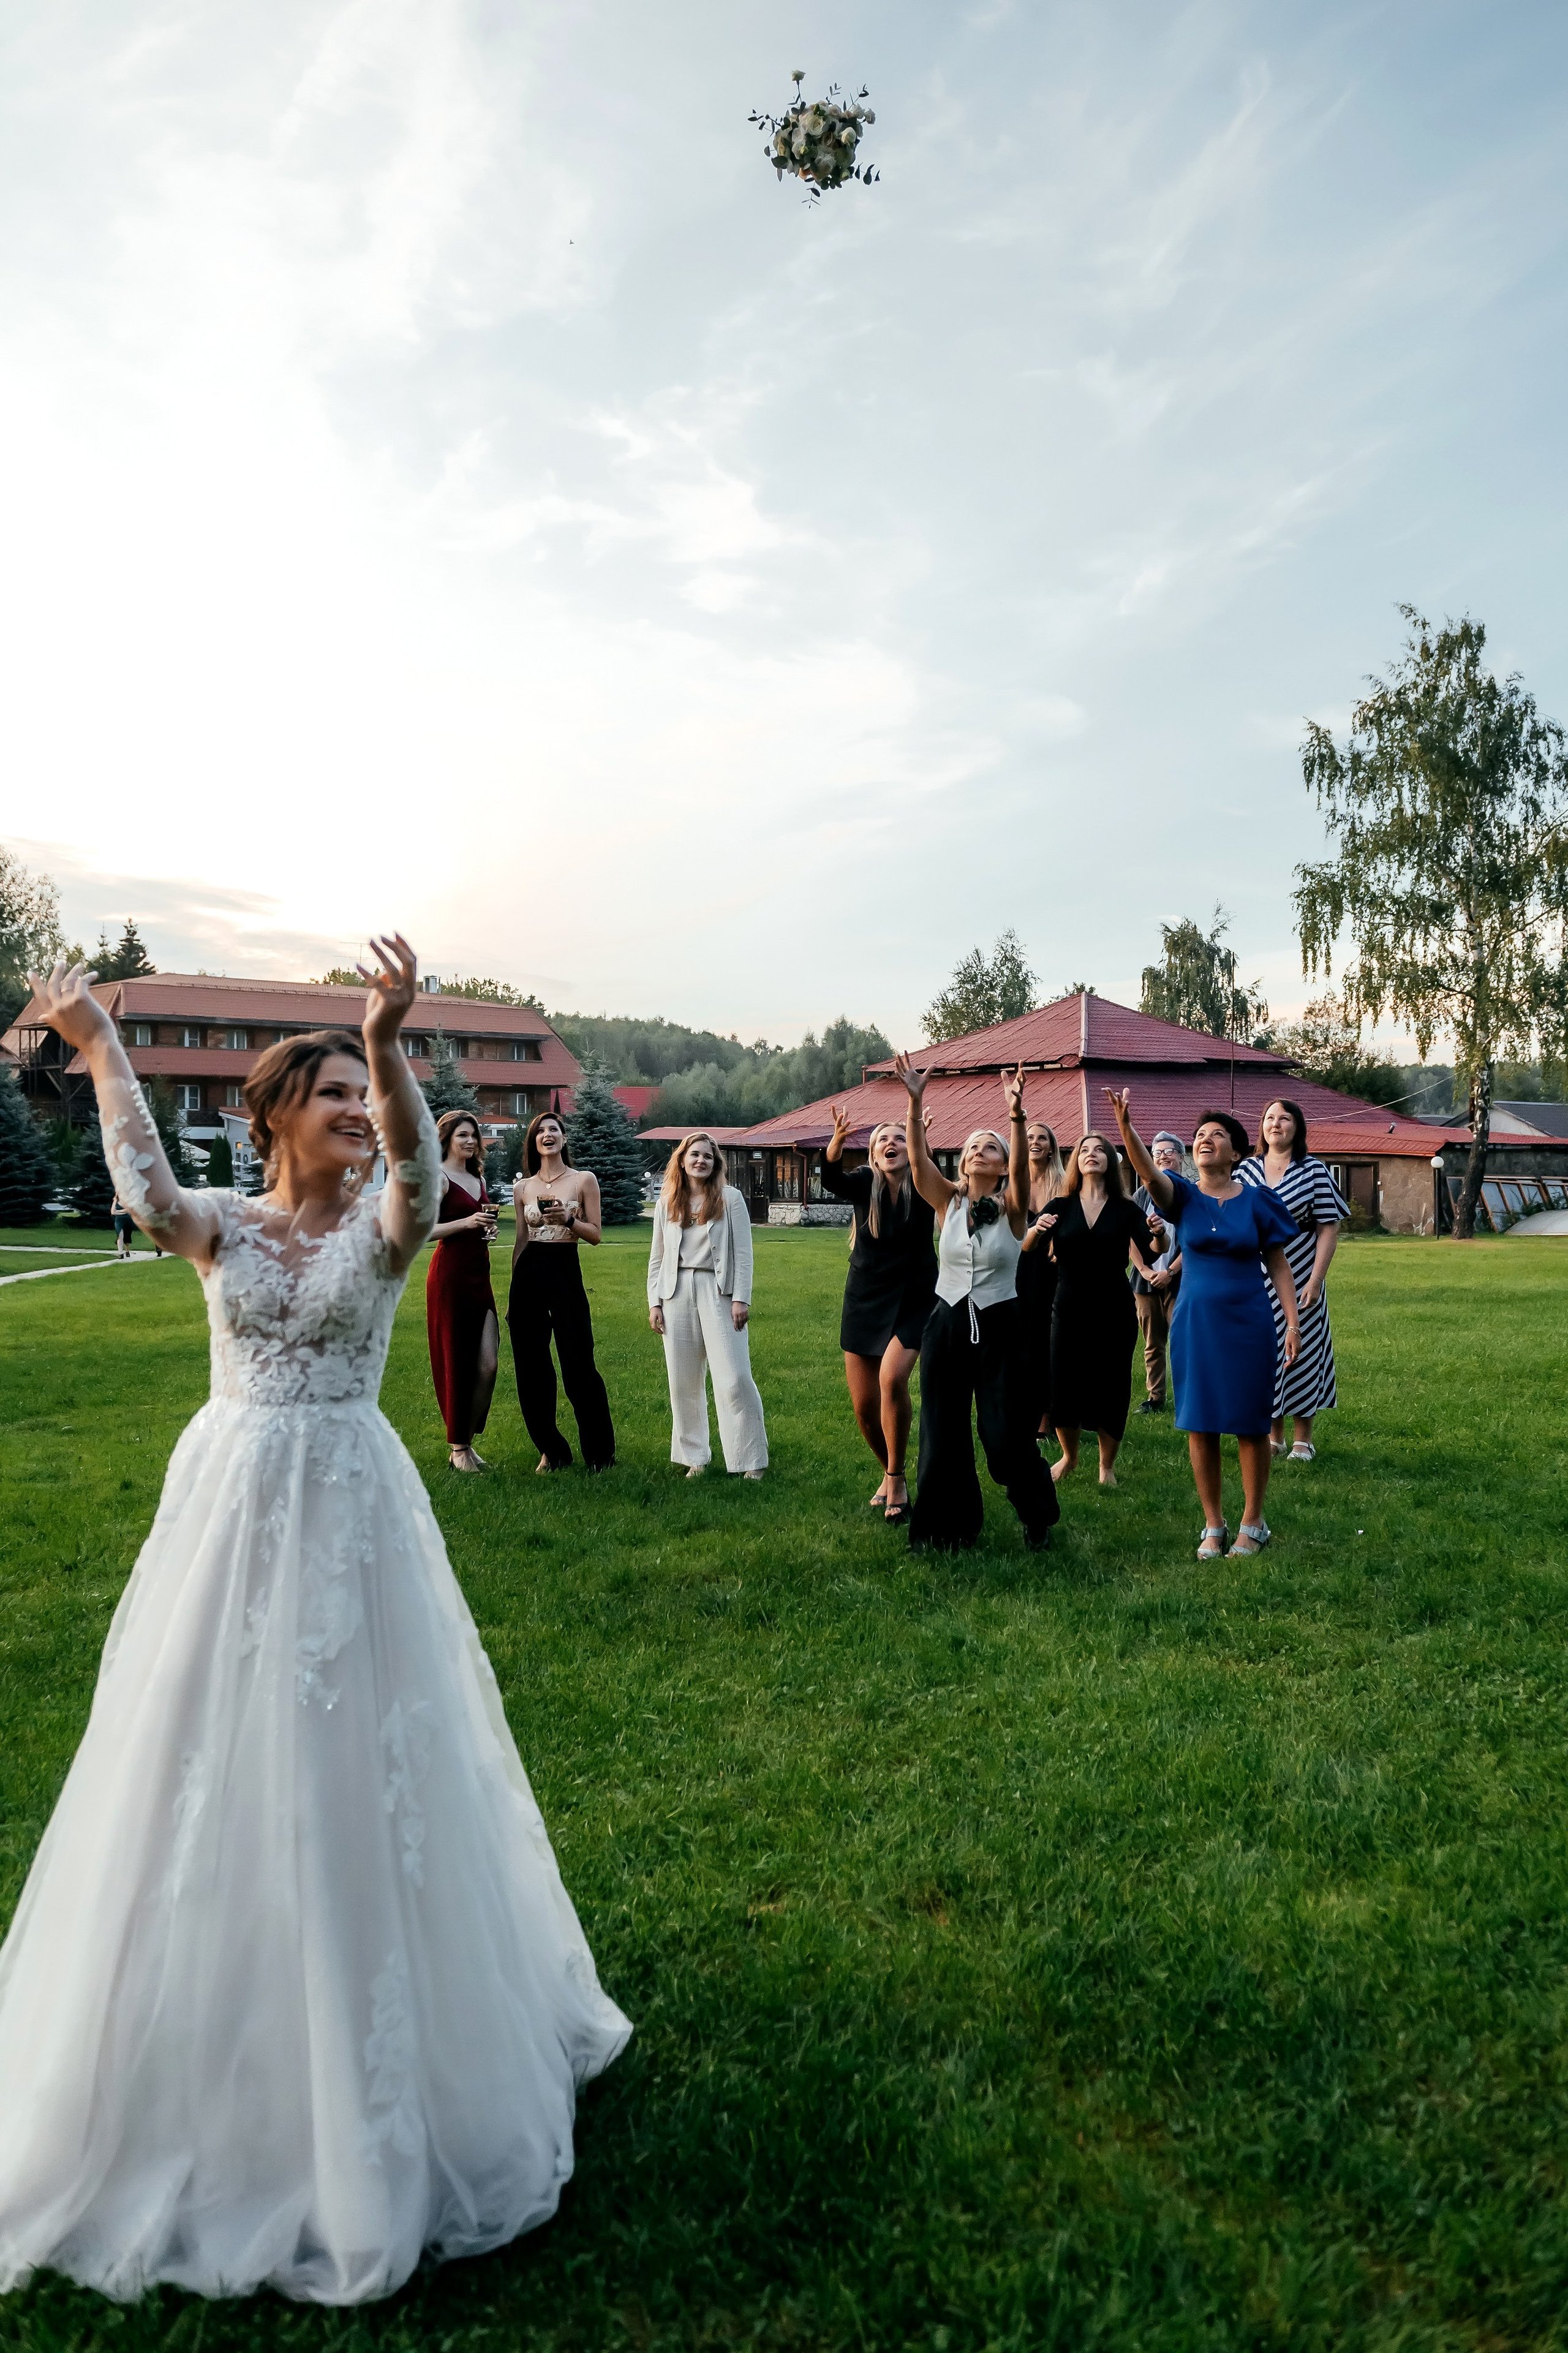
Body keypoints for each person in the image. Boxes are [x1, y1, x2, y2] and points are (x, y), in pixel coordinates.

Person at [0, 946, 630, 2305]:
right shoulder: (217, 1224)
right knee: (198, 1757)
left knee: (364, 1761)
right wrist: (104, 1041)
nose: (357, 1105)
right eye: (334, 1090)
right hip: (227, 1512)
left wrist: (390, 1039)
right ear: (277, 1111)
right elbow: (141, 1187)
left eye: (364, 1088)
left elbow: (414, 1162)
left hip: (351, 1511)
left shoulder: (386, 1227)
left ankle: (380, 2048)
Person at [1108, 1090, 1301, 1560]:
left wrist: (1293, 1324)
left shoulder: (1258, 1201)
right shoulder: (1184, 1196)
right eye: (1199, 1136)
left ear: (1237, 1152)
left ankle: (1253, 1522)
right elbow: (1149, 1173)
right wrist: (1127, 1126)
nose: (1205, 1140)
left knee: (1252, 1423)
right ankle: (1213, 1523)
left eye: (1217, 1135)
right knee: (1201, 1423)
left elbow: (1278, 1265)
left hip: (1250, 1322)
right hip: (1195, 1323)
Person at [894, 1055, 1059, 1554]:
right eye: (974, 1146)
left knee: (1004, 1434)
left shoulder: (1012, 1207)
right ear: (963, 1161)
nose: (981, 1150)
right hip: (946, 1322)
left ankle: (1037, 1514)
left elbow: (1019, 1174)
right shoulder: (948, 1202)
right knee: (942, 1431)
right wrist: (915, 1100)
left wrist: (1015, 1113)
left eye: (992, 1146)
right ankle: (948, 1530)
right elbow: (920, 1163)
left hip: (999, 1325)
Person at [821, 1106, 937, 1525]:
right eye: (883, 1139)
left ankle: (897, 1477)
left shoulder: (925, 1184)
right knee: (865, 1407)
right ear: (871, 1154)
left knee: (892, 1379)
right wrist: (836, 1141)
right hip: (865, 1299)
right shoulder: (864, 1183)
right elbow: (832, 1179)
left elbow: (939, 1177)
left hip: (915, 1298)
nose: (892, 1143)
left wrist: (918, 1132)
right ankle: (891, 1471)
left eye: (900, 1137)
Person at [646, 1131, 767, 1479]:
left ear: (716, 1164)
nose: (701, 1161)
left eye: (708, 1157)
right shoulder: (668, 1200)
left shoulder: (731, 1199)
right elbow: (657, 1257)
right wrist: (654, 1302)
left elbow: (743, 1254)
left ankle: (751, 1460)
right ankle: (695, 1457)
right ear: (682, 1160)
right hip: (676, 1292)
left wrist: (741, 1298)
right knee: (682, 1380)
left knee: (734, 1376)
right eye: (695, 1155)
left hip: (720, 1292)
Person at [1237, 1099, 1348, 1462]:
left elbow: (1328, 1229)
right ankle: (1274, 1435)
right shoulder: (1245, 1171)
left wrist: (1316, 1280)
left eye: (1284, 1118)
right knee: (1262, 1352)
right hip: (1255, 1275)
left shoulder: (1314, 1170)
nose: (1276, 1124)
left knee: (1304, 1349)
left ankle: (1304, 1439)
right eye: (1269, 1117)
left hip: (1302, 1272)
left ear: (1297, 1128)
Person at [1044, 1131, 1154, 1487]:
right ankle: (1069, 1457)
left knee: (1113, 1385)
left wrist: (1161, 1234)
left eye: (1100, 1151)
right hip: (1068, 1307)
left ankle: (1107, 1466)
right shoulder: (1060, 1207)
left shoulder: (1125, 1208)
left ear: (1110, 1161)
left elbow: (1152, 1250)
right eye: (1084, 1150)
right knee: (1064, 1384)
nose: (1091, 1155)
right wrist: (1035, 1234)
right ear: (1075, 1160)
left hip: (1114, 1311)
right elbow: (1031, 1245)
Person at [507, 1110, 615, 1474]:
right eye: (541, 1131)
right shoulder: (523, 1188)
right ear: (534, 1142)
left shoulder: (583, 1180)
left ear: (563, 1140)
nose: (547, 1135)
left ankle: (600, 1455)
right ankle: (551, 1450)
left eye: (554, 1130)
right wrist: (512, 1293)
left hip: (565, 1271)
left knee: (578, 1362)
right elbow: (521, 1240)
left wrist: (569, 1220)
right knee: (531, 1365)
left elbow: (597, 1235)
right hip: (529, 1274)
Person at [427, 1108, 500, 1473]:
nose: (471, 1141)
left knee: (488, 1364)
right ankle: (459, 1448)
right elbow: (422, 1231)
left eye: (474, 1135)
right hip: (450, 1278)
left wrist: (484, 1229)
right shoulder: (438, 1178)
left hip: (479, 1277)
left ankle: (466, 1439)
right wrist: (467, 1222)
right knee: (456, 1361)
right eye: (462, 1136)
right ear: (447, 1140)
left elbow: (475, 1225)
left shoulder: (477, 1178)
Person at [1016, 1117, 1066, 1443]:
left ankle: (1047, 1415)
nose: (1035, 1142)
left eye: (1042, 1138)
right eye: (1029, 1137)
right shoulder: (1013, 1183)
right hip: (1018, 1270)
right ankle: (1023, 1410)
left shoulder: (1062, 1183)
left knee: (1048, 1343)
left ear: (1051, 1148)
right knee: (1021, 1340)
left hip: (1052, 1271)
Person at [1129, 1131, 1186, 1415]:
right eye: (1157, 1153)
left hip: (1181, 1282)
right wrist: (1144, 1269)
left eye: (1169, 1152)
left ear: (1181, 1157)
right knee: (1153, 1344)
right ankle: (1156, 1398)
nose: (1162, 1156)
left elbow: (1196, 1239)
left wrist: (1172, 1272)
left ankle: (1188, 1397)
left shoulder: (1189, 1192)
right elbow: (1130, 1237)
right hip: (1145, 1281)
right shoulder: (1140, 1195)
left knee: (1183, 1341)